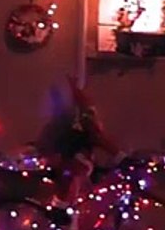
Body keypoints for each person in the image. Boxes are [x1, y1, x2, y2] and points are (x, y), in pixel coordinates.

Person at [38, 76, 122, 209]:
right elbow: (47, 146)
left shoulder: (84, 123)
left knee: (73, 175)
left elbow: (97, 137)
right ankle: (62, 209)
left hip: (79, 160)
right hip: (67, 161)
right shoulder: (56, 127)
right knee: (69, 176)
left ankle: (64, 209)